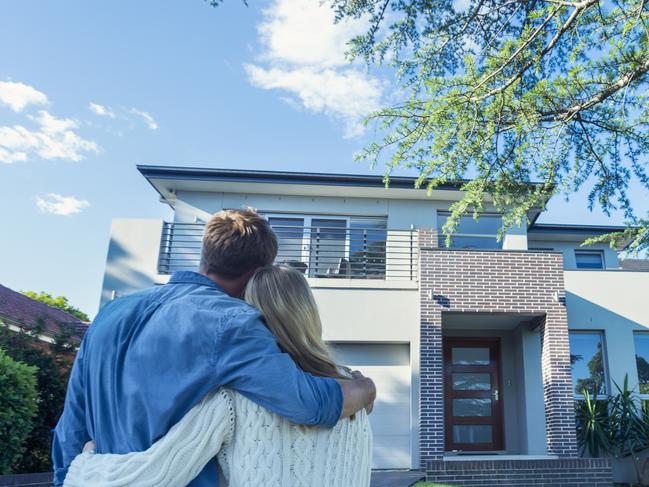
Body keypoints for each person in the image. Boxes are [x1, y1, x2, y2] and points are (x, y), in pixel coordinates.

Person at [52, 209, 376, 487]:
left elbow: (71, 426)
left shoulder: (110, 314)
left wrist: (69, 477)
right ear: (257, 274)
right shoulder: (234, 323)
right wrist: (364, 389)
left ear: (206, 254)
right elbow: (306, 403)